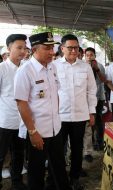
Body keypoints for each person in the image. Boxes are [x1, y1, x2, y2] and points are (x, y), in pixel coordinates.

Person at [14, 32, 71, 190]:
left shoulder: (52, 67)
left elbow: (55, 95)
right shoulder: (25, 71)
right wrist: (33, 132)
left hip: (55, 128)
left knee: (59, 168)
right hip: (37, 132)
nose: (52, 52)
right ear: (34, 49)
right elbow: (22, 104)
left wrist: (57, 117)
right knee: (36, 172)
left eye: (52, 47)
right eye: (47, 48)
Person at [53, 34, 97, 189]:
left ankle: (74, 177)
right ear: (62, 48)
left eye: (76, 47)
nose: (73, 50)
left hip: (80, 115)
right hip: (60, 115)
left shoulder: (85, 67)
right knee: (58, 149)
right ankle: (58, 178)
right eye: (70, 47)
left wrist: (92, 112)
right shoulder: (54, 66)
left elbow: (91, 91)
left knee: (78, 149)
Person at [0, 34, 27, 190]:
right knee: (1, 155)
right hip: (4, 120)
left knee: (19, 154)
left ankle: (17, 182)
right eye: (19, 47)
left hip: (22, 121)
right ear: (9, 48)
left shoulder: (26, 67)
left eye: (24, 48)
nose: (23, 51)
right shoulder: (2, 68)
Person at [84, 47, 106, 160]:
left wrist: (96, 69)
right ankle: (90, 144)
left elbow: (103, 80)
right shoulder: (83, 66)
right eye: (87, 55)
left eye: (91, 54)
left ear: (95, 56)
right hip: (86, 99)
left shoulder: (100, 66)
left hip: (99, 97)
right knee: (89, 122)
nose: (89, 57)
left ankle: (100, 142)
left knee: (98, 120)